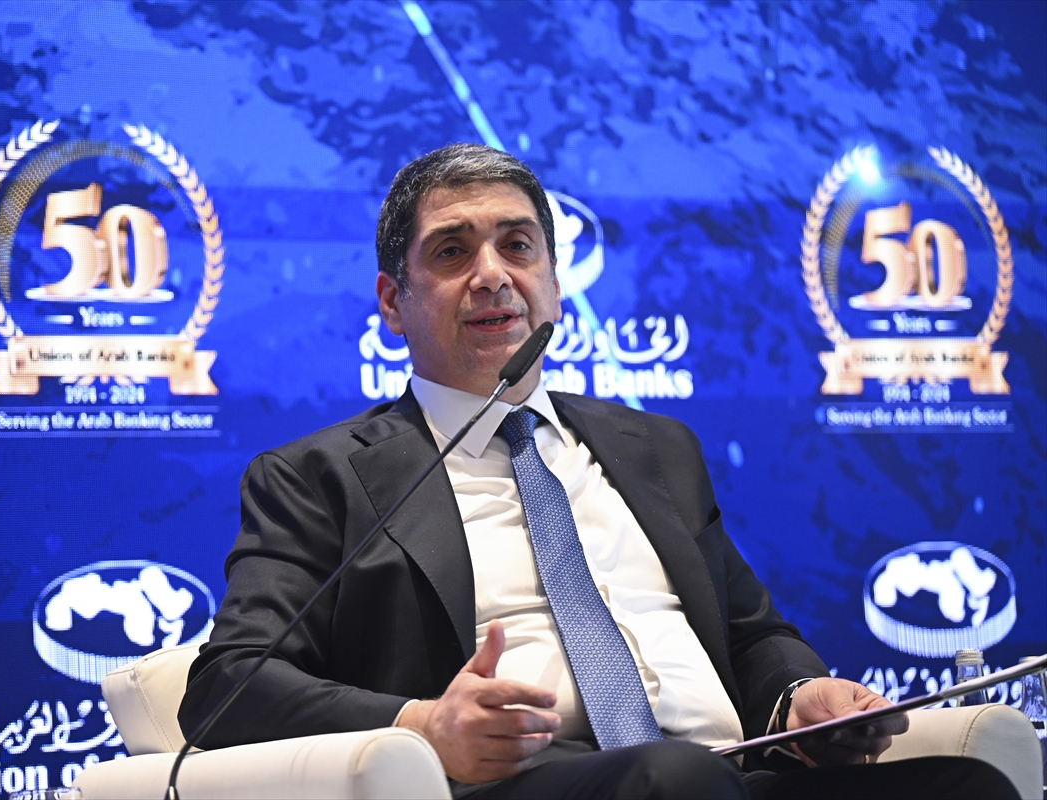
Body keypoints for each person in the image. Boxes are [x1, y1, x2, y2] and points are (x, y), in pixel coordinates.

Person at [178, 144, 1016, 799]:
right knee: (677, 778)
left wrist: (798, 697)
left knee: (968, 785)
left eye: (518, 245)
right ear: (394, 303)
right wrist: (424, 726)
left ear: (553, 282)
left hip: (731, 774)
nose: (493, 275)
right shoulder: (317, 477)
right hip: (520, 785)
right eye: (452, 252)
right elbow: (226, 685)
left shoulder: (657, 447)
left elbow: (751, 634)